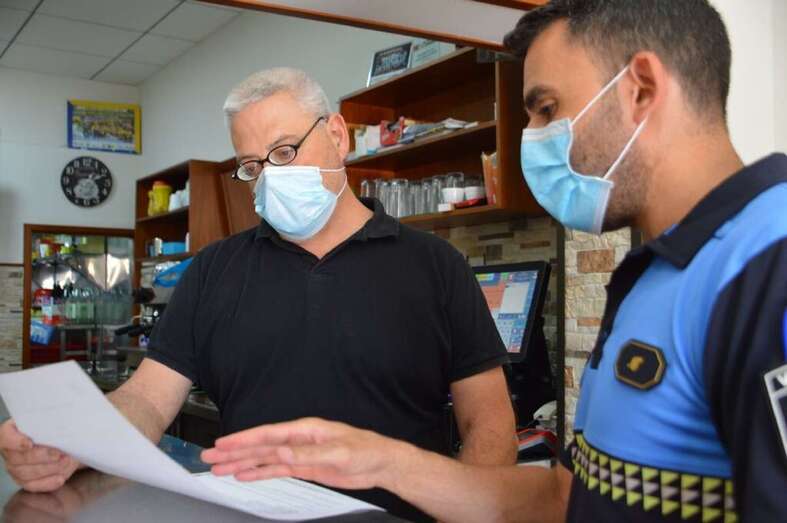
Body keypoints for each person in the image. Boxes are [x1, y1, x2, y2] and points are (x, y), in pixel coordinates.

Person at [200, 1, 787, 521]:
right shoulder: (651, 277)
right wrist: (387, 464)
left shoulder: (770, 266)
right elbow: (567, 499)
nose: (531, 137)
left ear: (640, 89)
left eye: (546, 108)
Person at [0, 68, 518, 521]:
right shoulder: (213, 271)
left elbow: (489, 421)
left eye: (285, 151)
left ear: (337, 135)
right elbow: (145, 401)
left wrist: (470, 510)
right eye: (252, 166)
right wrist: (72, 443)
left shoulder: (435, 266)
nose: (270, 176)